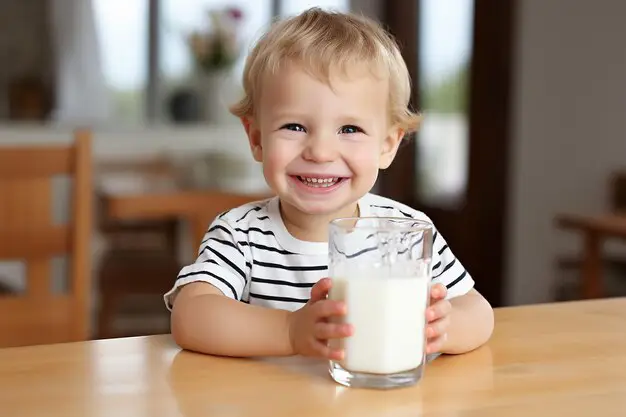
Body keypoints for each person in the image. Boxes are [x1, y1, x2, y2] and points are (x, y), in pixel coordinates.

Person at [164, 8, 494, 360]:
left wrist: (445, 328)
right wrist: (290, 331)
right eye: (294, 127)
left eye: (349, 129)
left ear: (387, 145)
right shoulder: (241, 234)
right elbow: (191, 315)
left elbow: (478, 310)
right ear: (257, 139)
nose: (320, 152)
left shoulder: (404, 234)